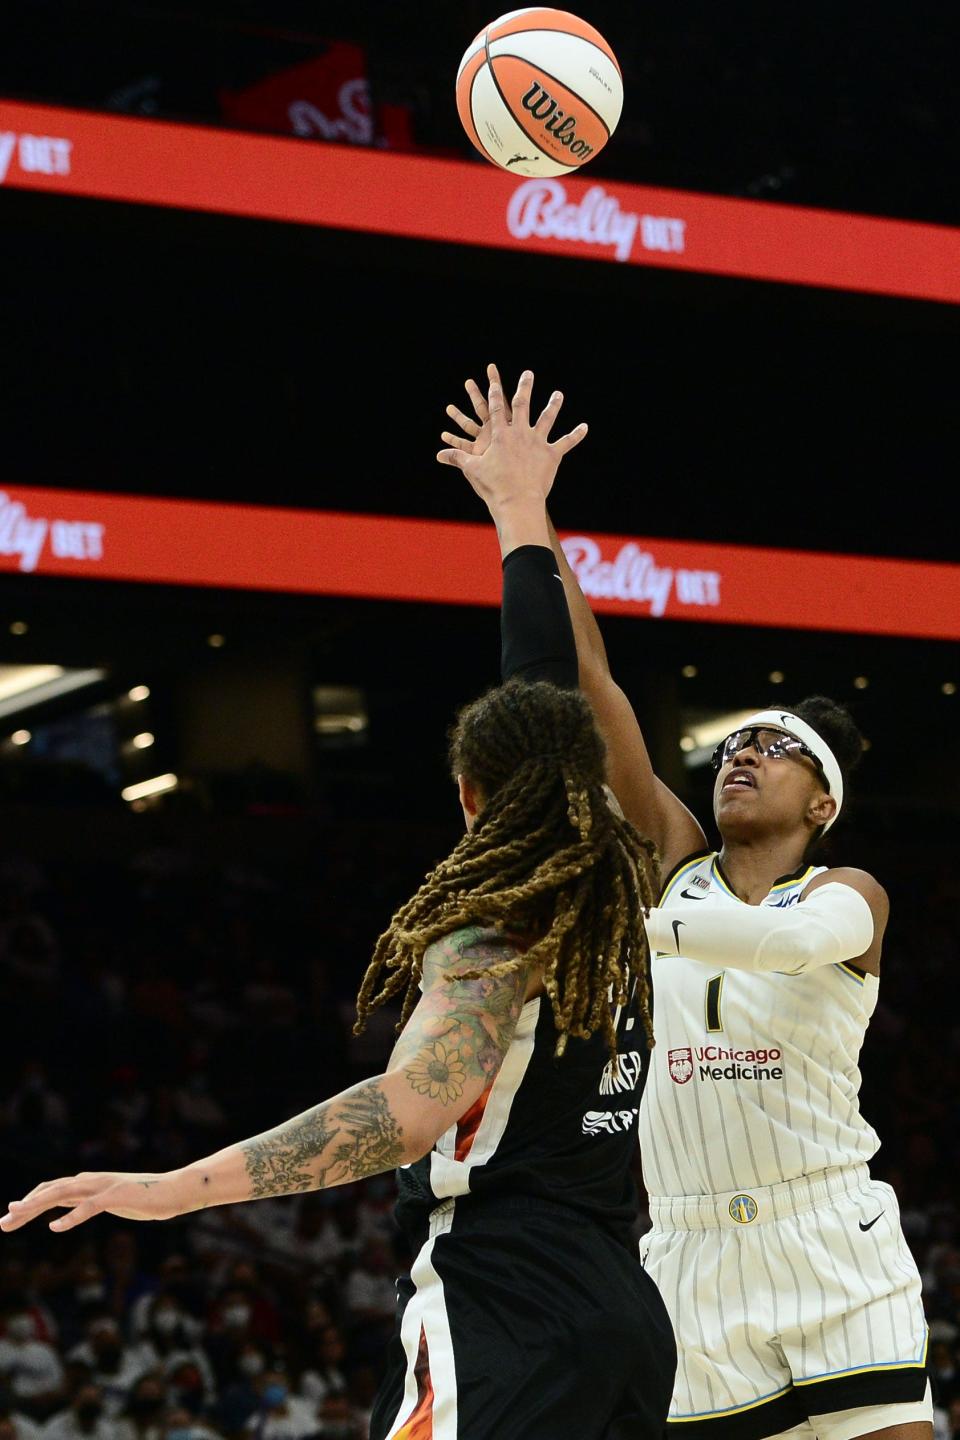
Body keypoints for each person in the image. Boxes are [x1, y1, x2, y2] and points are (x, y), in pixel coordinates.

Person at [437, 364, 932, 1440]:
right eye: (736, 744)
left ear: (823, 802)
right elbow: (594, 676)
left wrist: (623, 922)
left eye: (777, 750)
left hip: (827, 1232)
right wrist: (525, 512)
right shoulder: (674, 861)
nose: (745, 756)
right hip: (687, 1250)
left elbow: (797, 946)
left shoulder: (848, 893)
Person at [2, 676, 676, 1439]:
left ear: (469, 796)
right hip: (625, 1306)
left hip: (505, 1300)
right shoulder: (619, 929)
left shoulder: (493, 942)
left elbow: (405, 1116)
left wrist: (173, 1190)